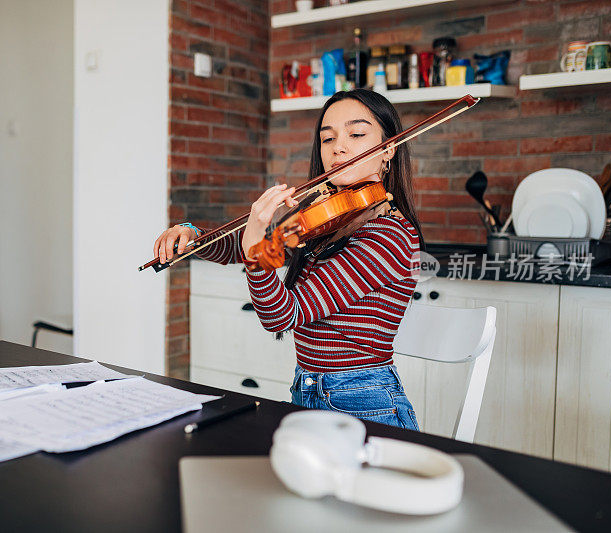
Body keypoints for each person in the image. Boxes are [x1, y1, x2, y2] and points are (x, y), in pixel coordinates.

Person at [153, 89, 423, 430]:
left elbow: (282, 315)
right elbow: (247, 246)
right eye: (328, 139)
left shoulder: (387, 236)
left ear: (388, 149)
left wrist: (257, 256)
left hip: (363, 404)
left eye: (356, 134)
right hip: (310, 391)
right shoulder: (331, 220)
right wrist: (194, 237)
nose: (339, 147)